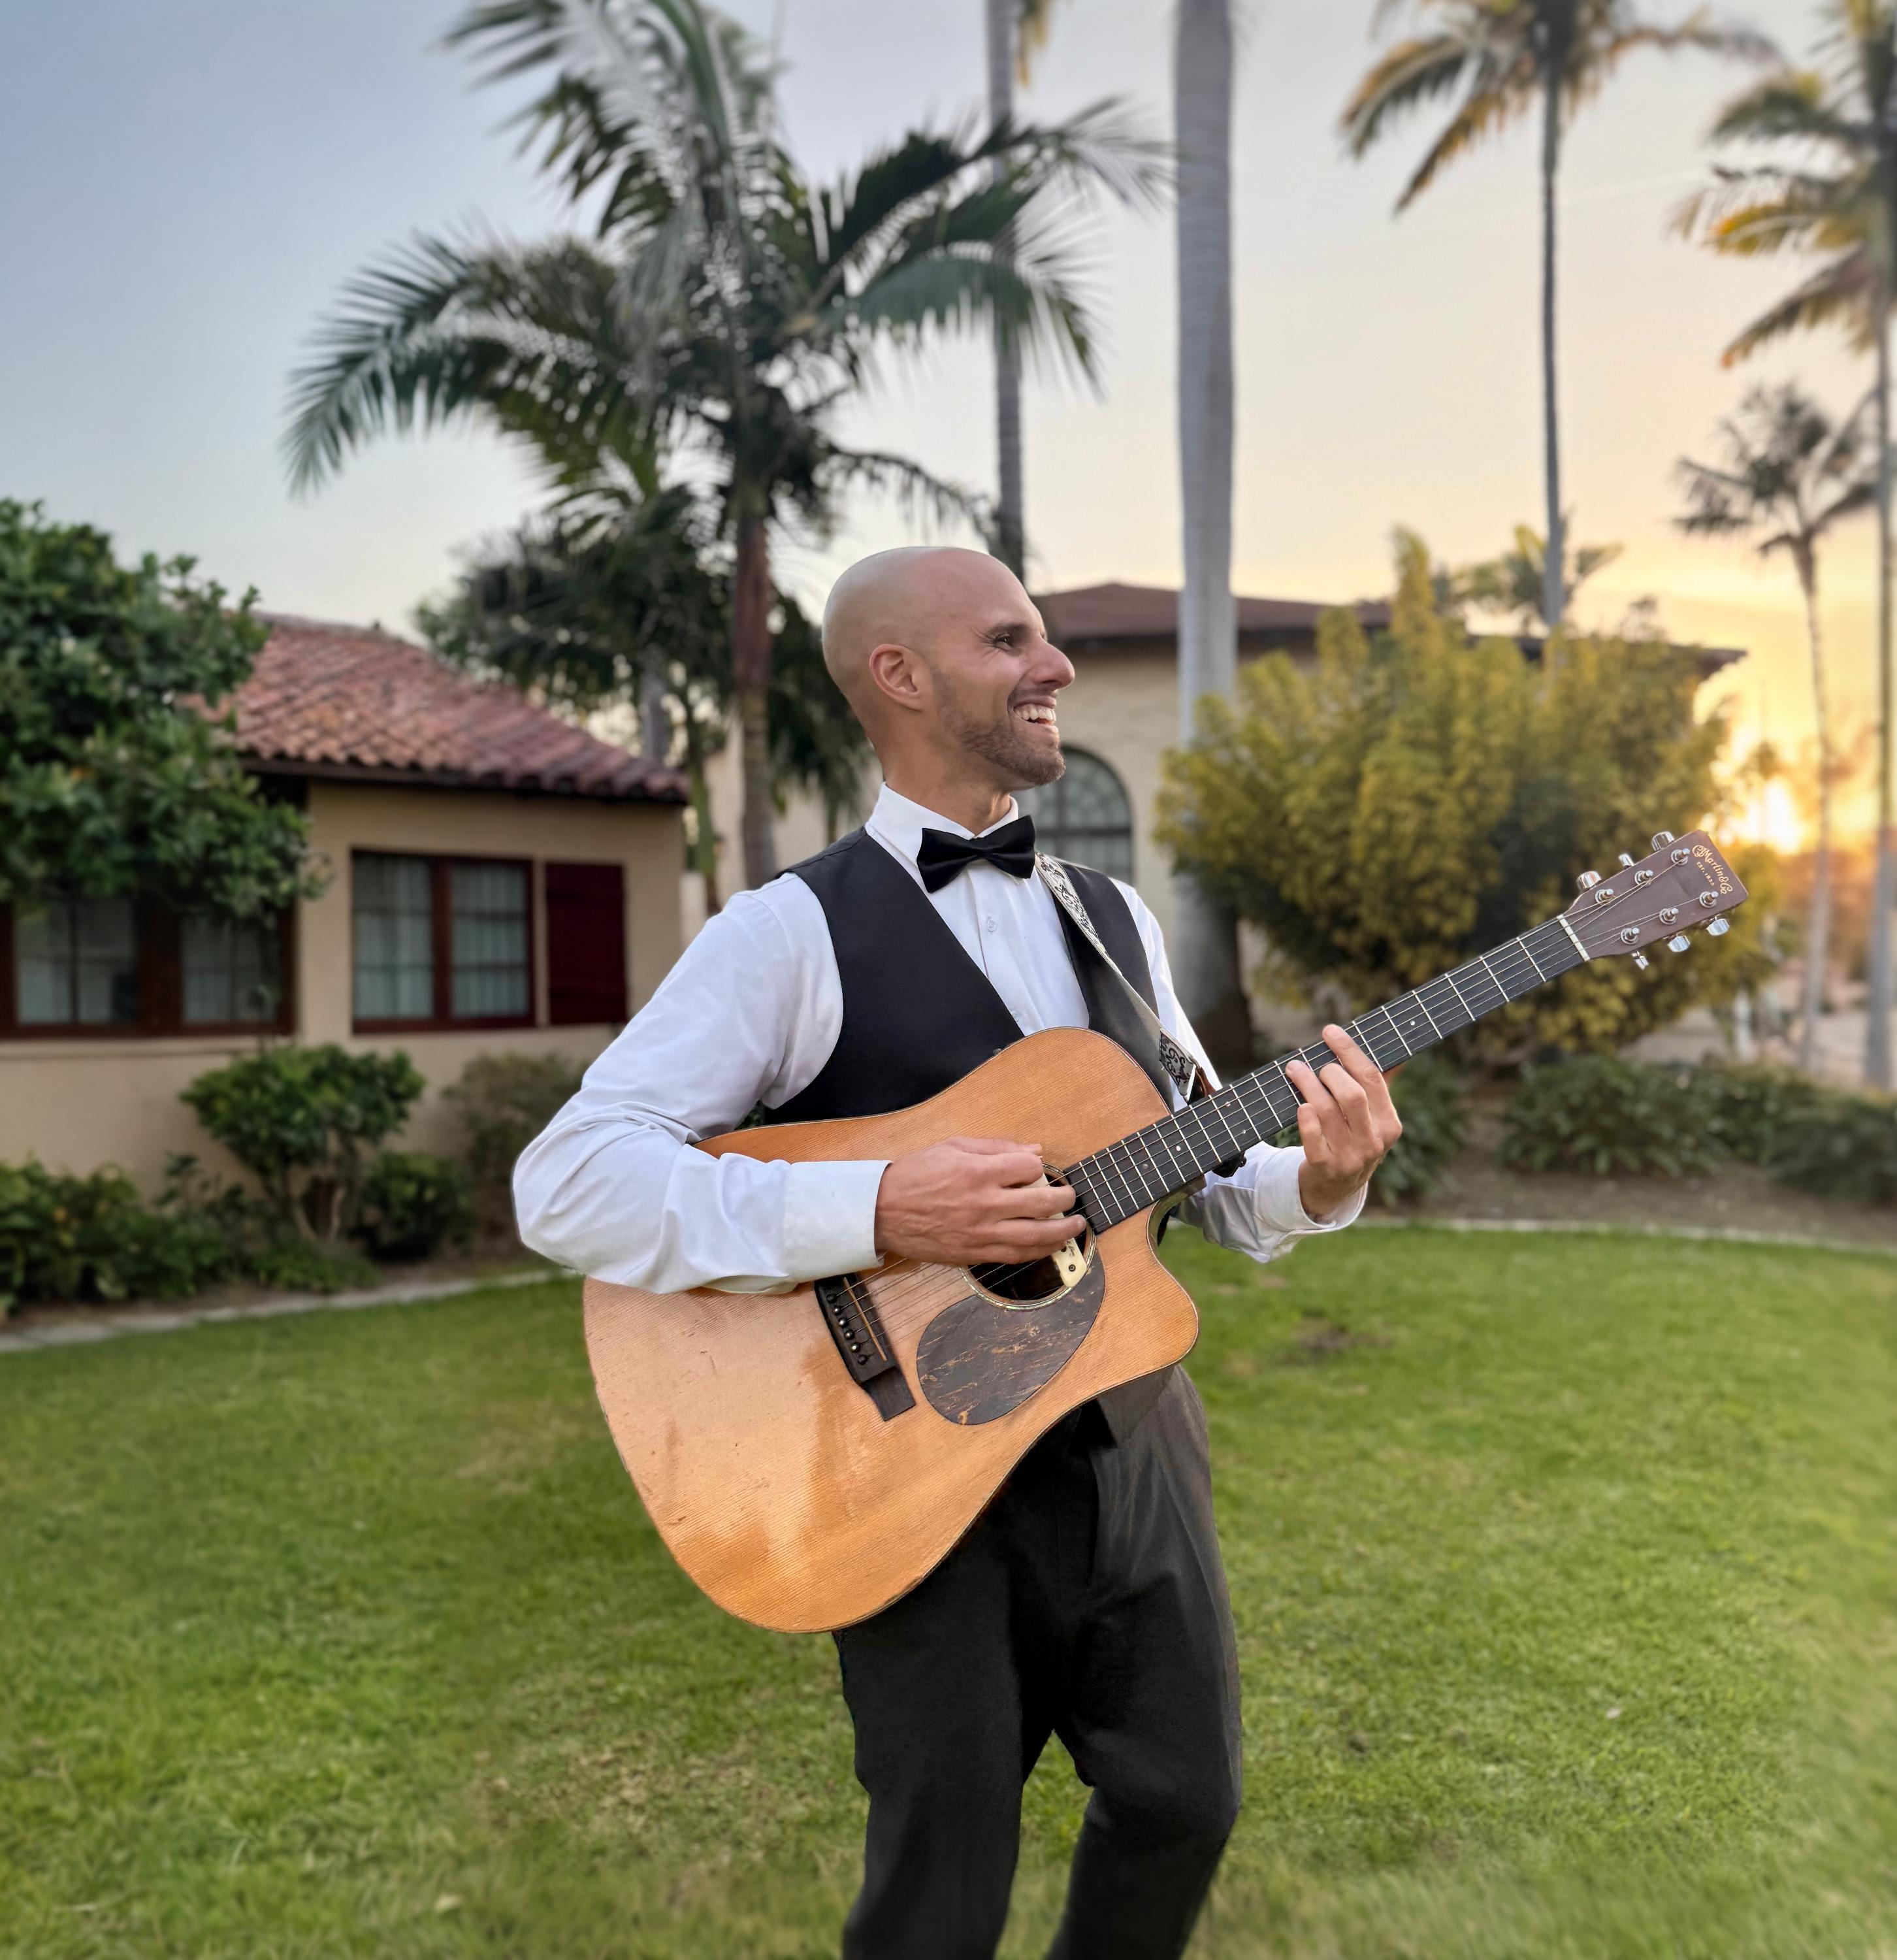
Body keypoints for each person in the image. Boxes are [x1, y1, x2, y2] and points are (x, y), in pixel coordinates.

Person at [513, 546, 1401, 1960]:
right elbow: (565, 1181)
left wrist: (1325, 1178)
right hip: (906, 1476)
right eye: (1009, 642)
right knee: (944, 1876)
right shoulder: (787, 934)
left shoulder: (1112, 919)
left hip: (1135, 1444)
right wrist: (877, 1210)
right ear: (902, 675)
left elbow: (1208, 1174)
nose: (1055, 668)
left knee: (1184, 1806)